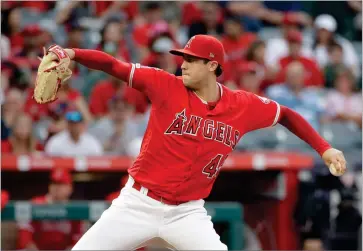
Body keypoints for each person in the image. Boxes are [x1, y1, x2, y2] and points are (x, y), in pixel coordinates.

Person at [45, 34, 346, 250]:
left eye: (191, 59)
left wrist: (325, 147)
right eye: (183, 58)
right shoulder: (165, 84)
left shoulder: (242, 105)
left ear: (213, 66)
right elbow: (115, 66)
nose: (183, 64)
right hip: (137, 204)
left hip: (187, 212)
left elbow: (286, 114)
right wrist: (72, 53)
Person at [16, 168, 84, 250]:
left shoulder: (75, 210)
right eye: (54, 183)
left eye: (61, 184)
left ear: (70, 188)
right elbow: (25, 238)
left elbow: (78, 240)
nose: (57, 187)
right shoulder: (35, 204)